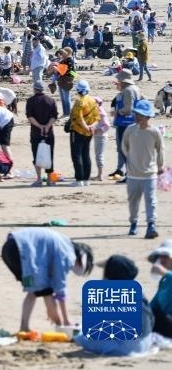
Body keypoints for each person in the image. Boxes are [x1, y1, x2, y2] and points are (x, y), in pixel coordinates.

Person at [1, 228, 93, 332]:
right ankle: (60, 325)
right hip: (20, 250)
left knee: (33, 291)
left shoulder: (63, 244)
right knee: (45, 291)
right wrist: (66, 320)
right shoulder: (67, 253)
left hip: (9, 249)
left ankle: (24, 327)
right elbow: (60, 287)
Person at [121, 100, 163, 239]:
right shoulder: (130, 130)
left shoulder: (154, 131)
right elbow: (124, 146)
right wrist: (130, 159)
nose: (137, 117)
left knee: (151, 200)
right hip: (133, 174)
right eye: (136, 114)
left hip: (150, 173)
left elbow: (160, 149)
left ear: (147, 116)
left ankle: (151, 225)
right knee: (133, 201)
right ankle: (133, 223)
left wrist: (160, 166)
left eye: (140, 115)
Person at [110, 69, 142, 182]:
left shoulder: (128, 90)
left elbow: (128, 109)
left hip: (125, 123)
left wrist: (117, 112)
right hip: (132, 123)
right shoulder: (135, 89)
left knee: (124, 149)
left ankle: (130, 175)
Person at [25, 82, 58, 186]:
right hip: (49, 132)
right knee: (49, 154)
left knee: (36, 154)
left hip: (36, 132)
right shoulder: (50, 100)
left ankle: (39, 179)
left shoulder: (30, 100)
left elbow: (30, 117)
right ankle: (49, 179)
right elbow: (54, 116)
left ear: (35, 89)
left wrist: (39, 126)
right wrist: (47, 126)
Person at [68, 80, 99, 186]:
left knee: (77, 155)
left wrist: (86, 127)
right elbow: (97, 117)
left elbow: (78, 117)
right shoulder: (93, 100)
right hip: (89, 132)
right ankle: (86, 179)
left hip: (78, 131)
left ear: (78, 90)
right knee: (86, 154)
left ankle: (79, 179)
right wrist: (91, 127)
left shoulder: (79, 101)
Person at [149, 240, 172, 338]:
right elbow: (154, 305)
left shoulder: (167, 276)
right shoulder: (164, 280)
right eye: (159, 256)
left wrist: (165, 273)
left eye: (165, 256)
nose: (161, 259)